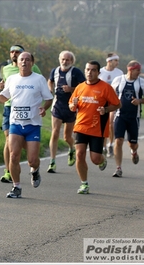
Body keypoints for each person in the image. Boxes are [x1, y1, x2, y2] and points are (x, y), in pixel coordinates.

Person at [0, 51, 53, 198]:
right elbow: (5, 97)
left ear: (32, 63)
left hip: (33, 124)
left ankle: (35, 171)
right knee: (14, 155)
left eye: (27, 60)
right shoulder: (12, 79)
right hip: (16, 123)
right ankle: (16, 187)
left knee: (32, 160)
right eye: (21, 60)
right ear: (17, 63)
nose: (24, 62)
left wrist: (45, 108)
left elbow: (48, 98)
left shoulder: (39, 79)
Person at [68, 60, 121, 194]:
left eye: (93, 70)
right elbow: (71, 106)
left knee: (95, 159)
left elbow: (117, 105)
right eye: (87, 69)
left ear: (98, 72)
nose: (89, 72)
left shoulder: (105, 87)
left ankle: (102, 160)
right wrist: (73, 104)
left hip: (97, 128)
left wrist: (106, 109)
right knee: (79, 154)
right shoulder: (80, 87)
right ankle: (84, 183)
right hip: (80, 126)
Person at [0, 44, 42, 183]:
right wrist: (1, 86)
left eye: (18, 52)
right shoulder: (6, 69)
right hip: (10, 107)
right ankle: (9, 171)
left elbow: (38, 83)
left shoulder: (32, 68)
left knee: (23, 144)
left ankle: (33, 163)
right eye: (12, 52)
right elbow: (5, 84)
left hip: (28, 108)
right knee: (9, 140)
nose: (15, 54)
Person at [47, 50, 85, 173]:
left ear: (71, 61)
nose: (65, 61)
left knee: (67, 137)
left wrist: (71, 89)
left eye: (67, 59)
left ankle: (71, 148)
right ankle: (52, 162)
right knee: (55, 132)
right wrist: (50, 89)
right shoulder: (55, 71)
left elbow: (85, 86)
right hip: (57, 105)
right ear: (60, 60)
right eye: (63, 59)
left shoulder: (76, 72)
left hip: (71, 107)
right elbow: (50, 80)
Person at [110, 60, 144, 177]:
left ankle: (134, 151)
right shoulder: (118, 80)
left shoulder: (141, 83)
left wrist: (140, 101)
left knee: (132, 143)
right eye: (138, 70)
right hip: (120, 115)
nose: (139, 72)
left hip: (134, 117)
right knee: (118, 140)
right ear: (131, 70)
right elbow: (111, 95)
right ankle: (118, 168)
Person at [98, 53, 124, 158]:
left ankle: (110, 144)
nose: (117, 63)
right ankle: (103, 146)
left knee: (111, 123)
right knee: (102, 124)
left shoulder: (119, 73)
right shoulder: (100, 72)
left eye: (118, 60)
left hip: (113, 102)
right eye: (115, 60)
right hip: (101, 101)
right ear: (109, 61)